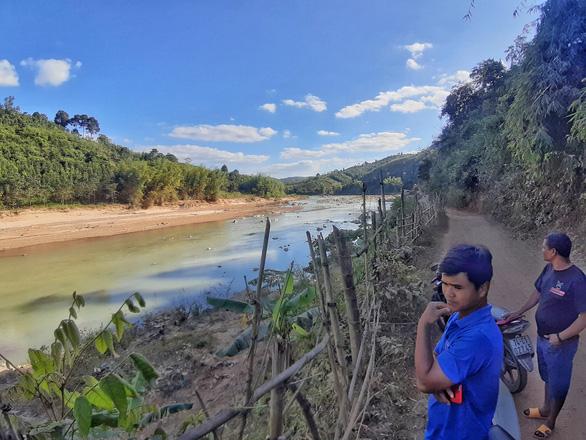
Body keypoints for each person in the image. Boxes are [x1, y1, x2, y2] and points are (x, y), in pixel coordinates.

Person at [415, 244, 503, 440]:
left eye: (457, 287)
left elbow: (423, 381)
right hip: (444, 428)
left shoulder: (478, 337)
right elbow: (437, 356)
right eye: (444, 284)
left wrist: (423, 324)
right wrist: (437, 383)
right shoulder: (458, 316)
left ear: (482, 289)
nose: (448, 293)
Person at [505, 232, 586, 439]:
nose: (542, 250)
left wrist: (560, 337)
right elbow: (538, 292)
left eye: (544, 247)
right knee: (548, 377)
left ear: (553, 251)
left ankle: (551, 421)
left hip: (561, 343)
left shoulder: (577, 280)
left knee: (559, 382)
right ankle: (544, 409)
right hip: (543, 338)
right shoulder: (549, 268)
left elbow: (584, 318)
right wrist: (519, 311)